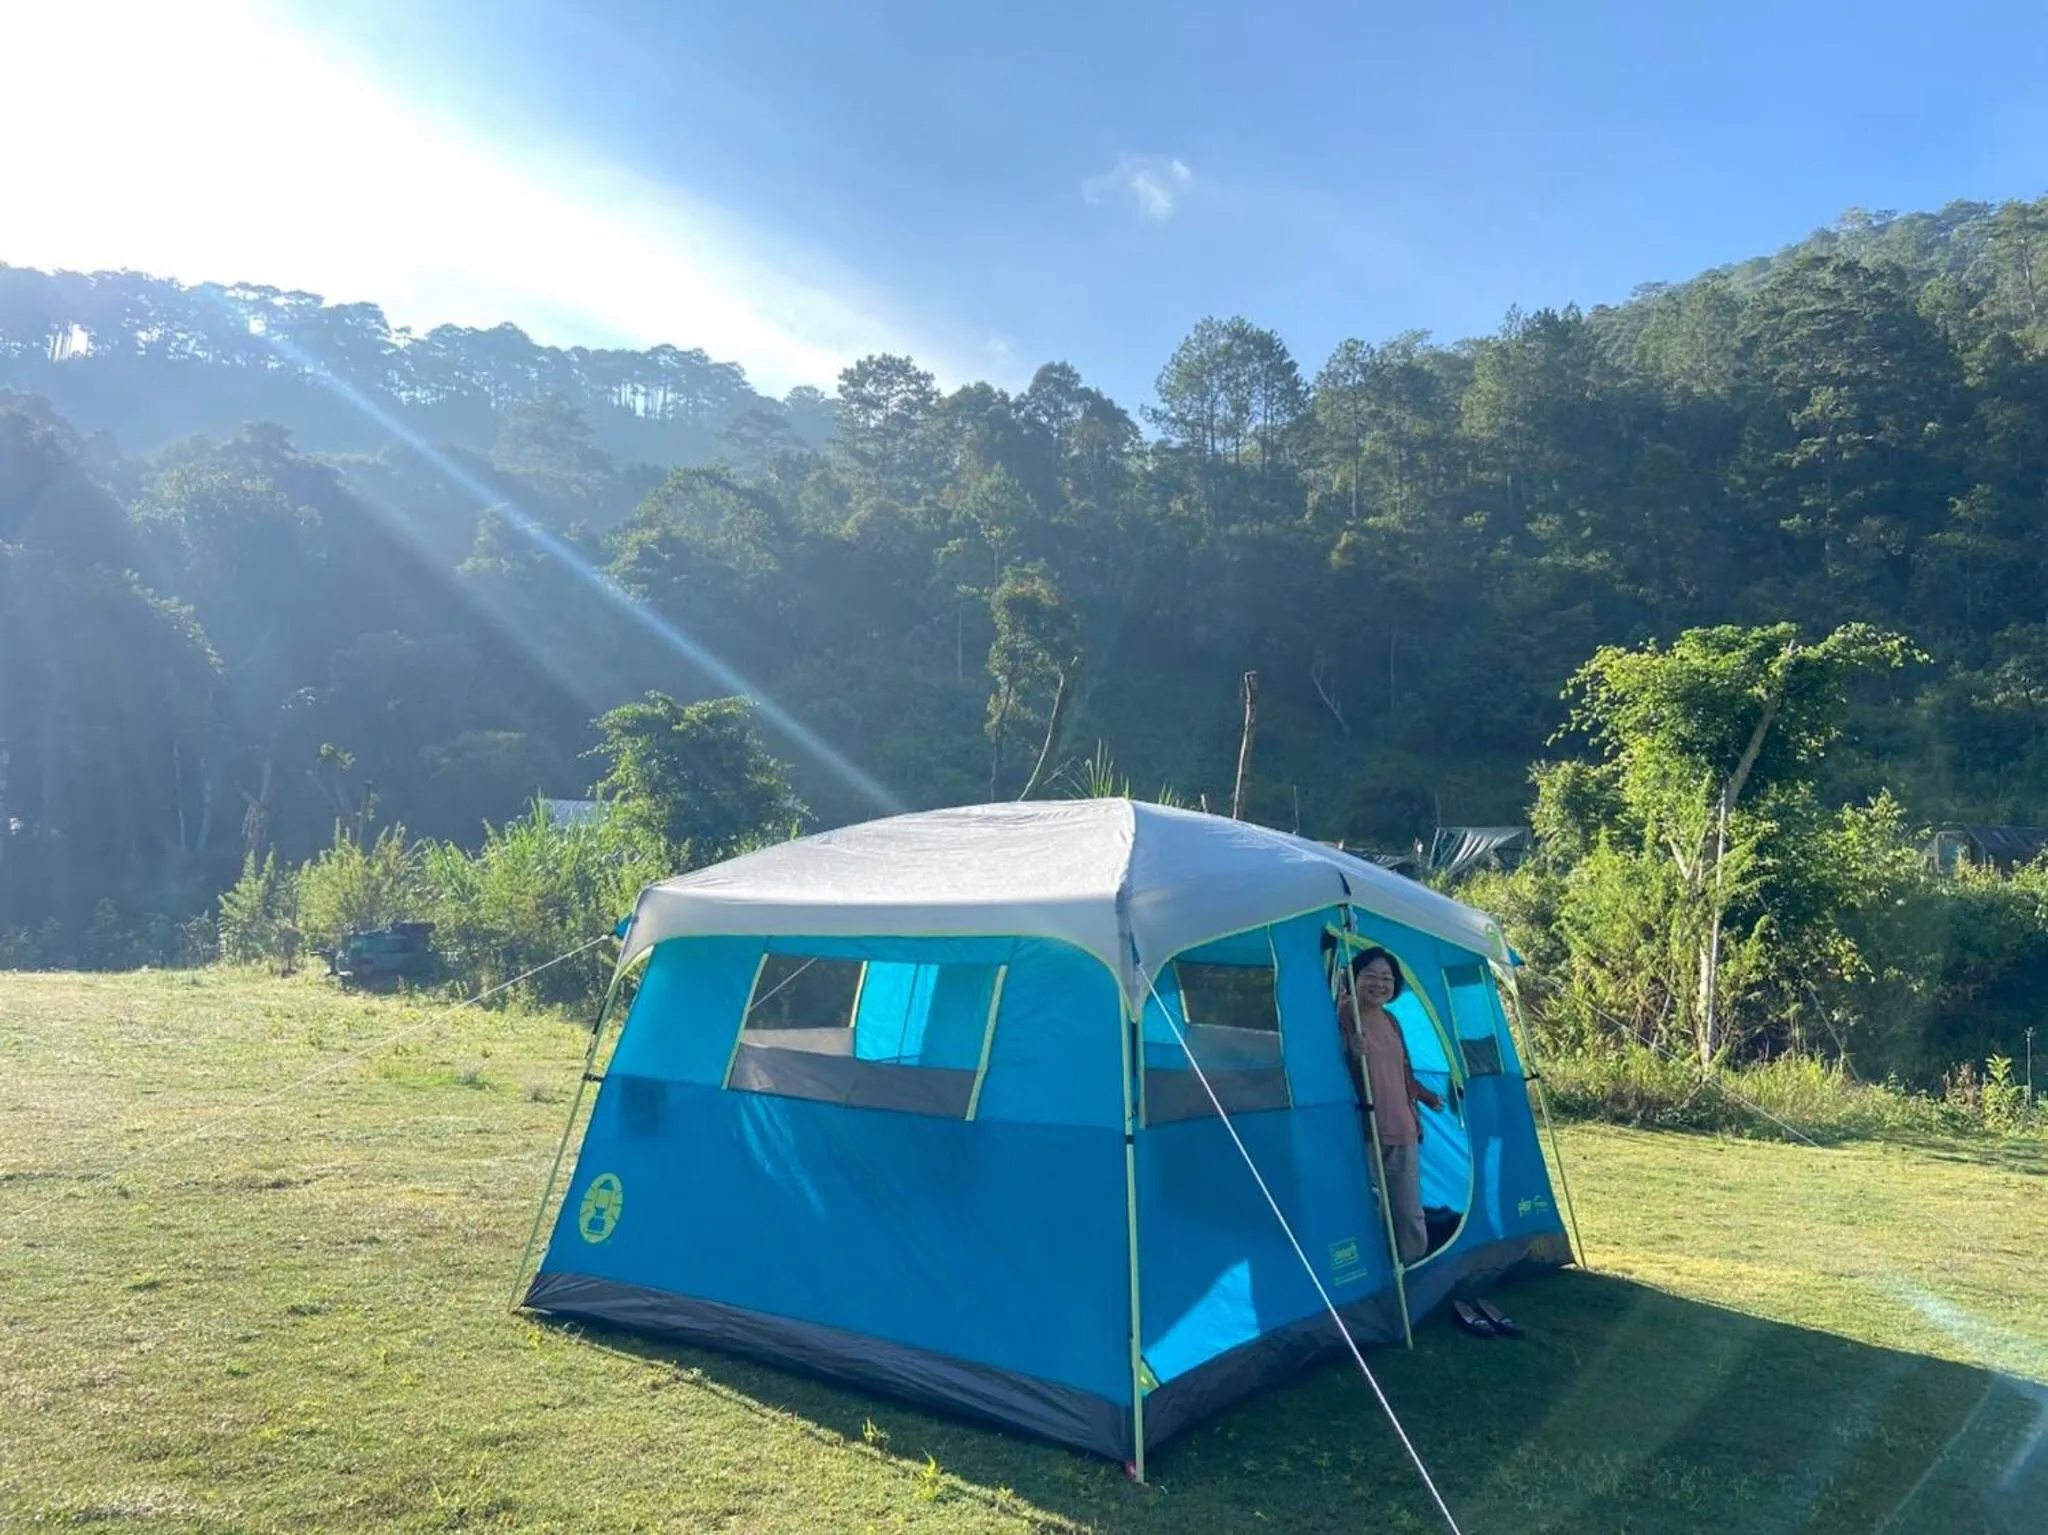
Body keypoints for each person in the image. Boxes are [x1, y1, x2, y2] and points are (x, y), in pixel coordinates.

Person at [1336, 946, 1443, 1265]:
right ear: (1353, 978)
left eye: (1387, 978)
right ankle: (1376, 1273)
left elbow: (1403, 1072)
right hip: (1366, 1129)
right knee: (1370, 1210)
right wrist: (1351, 1054)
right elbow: (1331, 1070)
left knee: (1409, 1212)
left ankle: (1411, 1270)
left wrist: (1427, 1096)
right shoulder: (1343, 1013)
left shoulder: (1391, 1020)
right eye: (1370, 975)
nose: (1379, 983)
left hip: (1403, 1127)